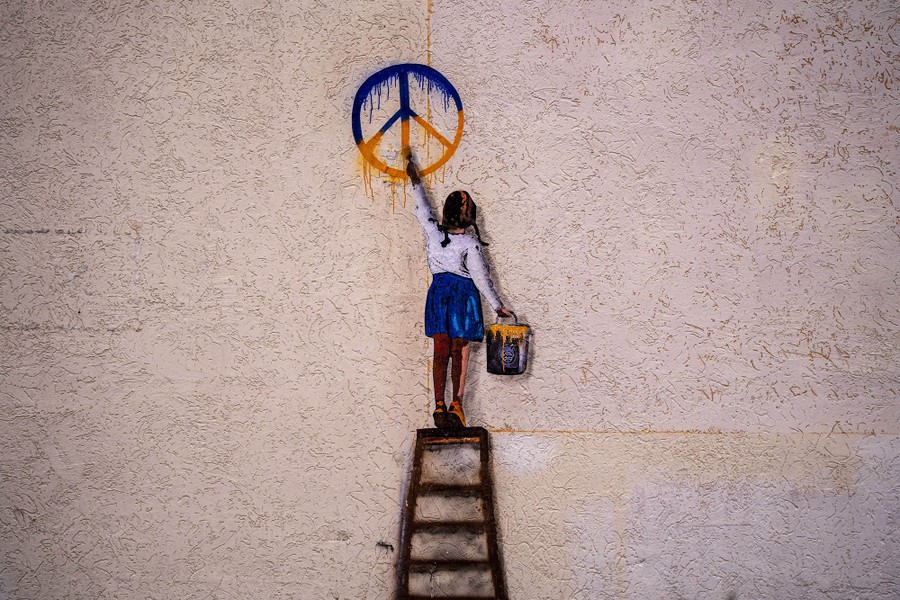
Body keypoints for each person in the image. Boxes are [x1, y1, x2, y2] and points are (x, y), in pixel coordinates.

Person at [404, 148, 513, 429]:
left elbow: (423, 209)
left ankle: (439, 403)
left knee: (440, 349)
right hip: (463, 297)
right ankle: (456, 404)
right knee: (460, 350)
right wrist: (497, 305)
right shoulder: (471, 244)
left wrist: (415, 180)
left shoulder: (434, 234)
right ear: (469, 217)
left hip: (439, 295)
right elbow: (481, 279)